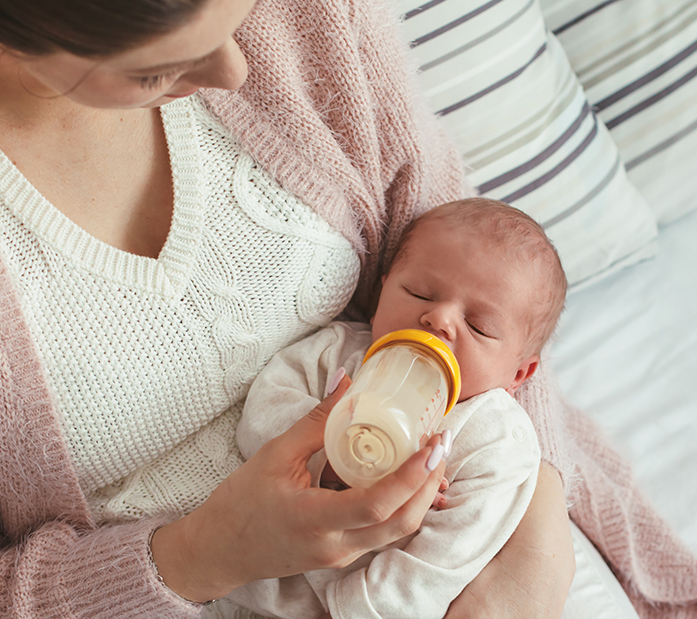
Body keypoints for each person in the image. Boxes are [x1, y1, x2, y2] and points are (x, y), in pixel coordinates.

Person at [0, 0, 697, 615]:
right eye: (157, 70)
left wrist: (590, 555)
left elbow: (482, 303)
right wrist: (198, 556)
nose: (236, 69)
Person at [223, 198, 567, 619]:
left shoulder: (494, 439)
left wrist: (366, 610)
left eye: (479, 326)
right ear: (383, 288)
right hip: (248, 577)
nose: (440, 319)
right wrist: (327, 454)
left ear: (519, 373)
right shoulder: (337, 351)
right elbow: (261, 411)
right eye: (419, 292)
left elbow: (443, 561)